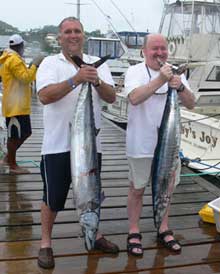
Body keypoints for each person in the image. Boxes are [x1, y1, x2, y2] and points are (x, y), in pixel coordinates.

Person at [36, 17, 119, 269]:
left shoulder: (97, 65)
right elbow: (44, 96)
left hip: (91, 147)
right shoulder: (50, 63)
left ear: (83, 36)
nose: (73, 35)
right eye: (68, 32)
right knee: (53, 197)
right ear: (60, 37)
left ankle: (95, 234)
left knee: (91, 194)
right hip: (57, 145)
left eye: (77, 31)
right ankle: (45, 244)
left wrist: (95, 80)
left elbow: (112, 97)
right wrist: (76, 79)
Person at [124, 33, 195, 256]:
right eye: (154, 49)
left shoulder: (175, 72)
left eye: (163, 49)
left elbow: (192, 103)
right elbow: (134, 98)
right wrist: (161, 80)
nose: (159, 53)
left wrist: (180, 87)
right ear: (143, 51)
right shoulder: (134, 71)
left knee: (168, 188)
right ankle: (134, 230)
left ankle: (163, 228)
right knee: (137, 189)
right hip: (141, 144)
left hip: (170, 146)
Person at [0, 34, 43, 174]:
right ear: (19, 46)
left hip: (16, 103)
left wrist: (30, 66)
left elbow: (21, 76)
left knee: (25, 132)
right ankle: (12, 165)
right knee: (14, 136)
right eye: (23, 46)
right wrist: (35, 65)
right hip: (15, 105)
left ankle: (8, 158)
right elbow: (26, 78)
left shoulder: (8, 58)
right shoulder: (14, 60)